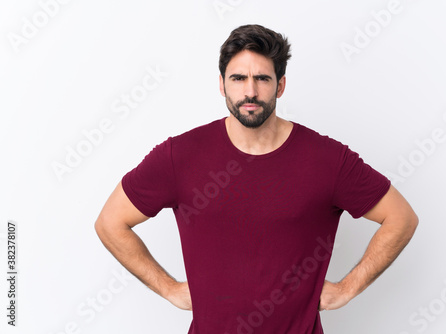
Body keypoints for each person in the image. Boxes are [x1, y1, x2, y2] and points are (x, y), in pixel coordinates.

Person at [94, 24, 418, 334]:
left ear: (280, 85)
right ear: (222, 84)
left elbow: (400, 218)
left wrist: (347, 289)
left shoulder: (328, 160)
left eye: (262, 78)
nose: (250, 91)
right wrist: (170, 289)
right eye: (238, 78)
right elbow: (110, 222)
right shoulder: (180, 155)